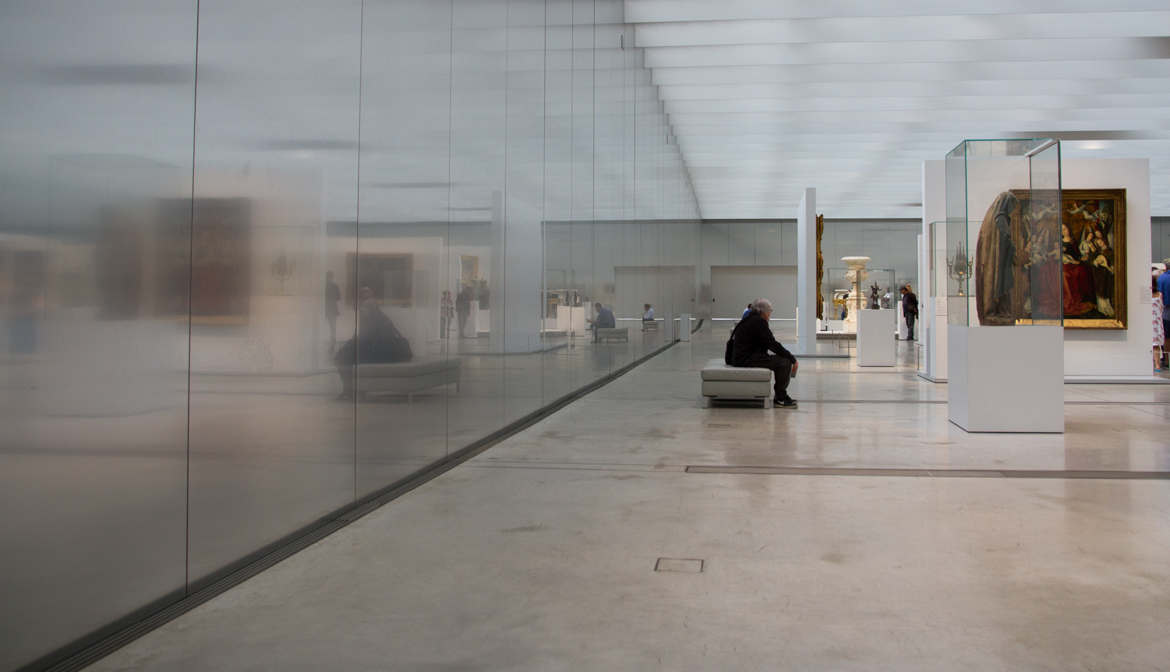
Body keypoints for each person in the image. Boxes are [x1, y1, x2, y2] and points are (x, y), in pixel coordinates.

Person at [335, 286, 412, 399]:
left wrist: (353, 343)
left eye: (366, 305)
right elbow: (362, 336)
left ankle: (350, 389)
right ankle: (350, 388)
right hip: (375, 349)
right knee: (343, 355)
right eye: (363, 303)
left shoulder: (376, 318)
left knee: (343, 357)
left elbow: (370, 337)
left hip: (380, 351)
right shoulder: (376, 316)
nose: (363, 308)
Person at [728, 298, 798, 408]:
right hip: (746, 359)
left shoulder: (750, 318)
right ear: (762, 311)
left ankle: (780, 396)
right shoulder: (759, 322)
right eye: (769, 311)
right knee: (784, 362)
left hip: (743, 356)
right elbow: (772, 344)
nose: (770, 314)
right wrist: (792, 358)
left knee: (781, 359)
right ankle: (780, 398)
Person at [324, 271, 341, 354]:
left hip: (329, 308)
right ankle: (333, 340)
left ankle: (333, 341)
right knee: (333, 326)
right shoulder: (335, 286)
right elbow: (338, 297)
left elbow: (326, 298)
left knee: (332, 326)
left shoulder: (326, 286)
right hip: (333, 307)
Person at [1153, 276, 1165, 373]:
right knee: (1156, 345)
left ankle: (1154, 364)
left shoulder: (1146, 295)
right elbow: (1161, 307)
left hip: (1150, 322)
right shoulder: (1159, 295)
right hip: (1157, 322)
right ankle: (1157, 365)